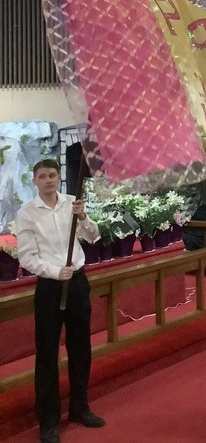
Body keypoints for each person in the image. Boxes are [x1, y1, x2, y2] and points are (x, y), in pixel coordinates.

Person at [15, 159, 105, 443]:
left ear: (59, 177)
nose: (48, 180)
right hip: (50, 287)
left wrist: (83, 216)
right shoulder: (27, 213)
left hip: (77, 282)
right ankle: (49, 421)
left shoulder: (71, 204)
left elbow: (93, 236)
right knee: (47, 354)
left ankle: (79, 408)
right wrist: (55, 271)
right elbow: (26, 256)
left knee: (81, 347)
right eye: (42, 176)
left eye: (52, 175)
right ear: (35, 181)